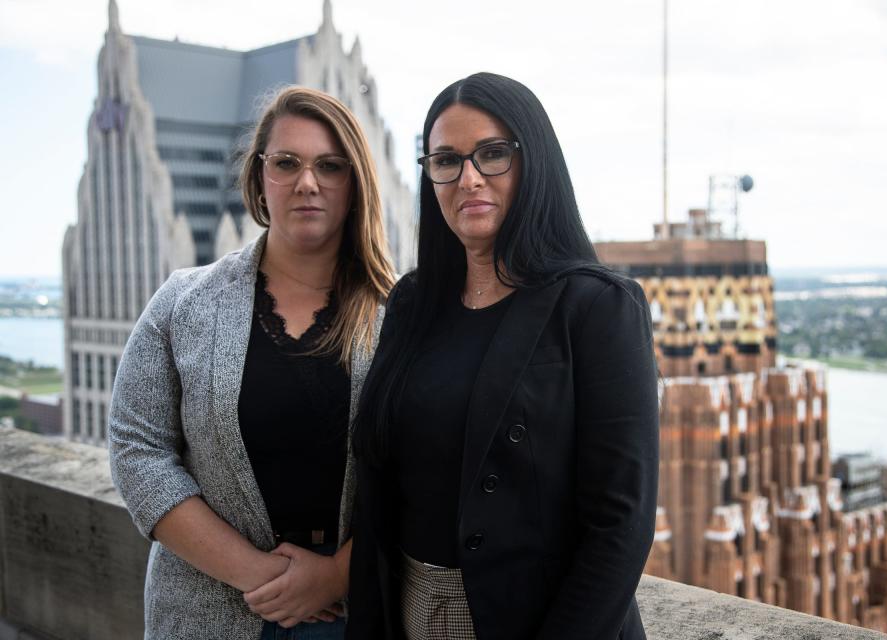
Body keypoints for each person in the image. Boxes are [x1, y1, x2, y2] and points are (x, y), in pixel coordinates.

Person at [347, 72, 660, 640]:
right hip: (411, 612)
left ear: (532, 160)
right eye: (445, 161)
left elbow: (622, 525)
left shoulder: (597, 308)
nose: (468, 178)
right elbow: (379, 489)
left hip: (535, 623)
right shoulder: (412, 304)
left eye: (492, 154)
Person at [109, 86, 395, 640]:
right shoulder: (182, 302)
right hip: (205, 609)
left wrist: (337, 574)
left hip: (355, 613)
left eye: (330, 166)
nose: (307, 182)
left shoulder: (401, 316)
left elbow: (427, 467)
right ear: (260, 175)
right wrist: (260, 576)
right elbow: (136, 447)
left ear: (355, 182)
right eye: (286, 162)